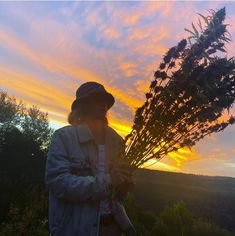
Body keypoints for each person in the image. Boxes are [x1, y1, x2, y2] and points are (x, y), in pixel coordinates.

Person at [45, 81, 134, 236]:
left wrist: (124, 185)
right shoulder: (64, 137)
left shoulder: (117, 141)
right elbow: (58, 183)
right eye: (97, 99)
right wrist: (108, 180)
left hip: (113, 228)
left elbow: (119, 194)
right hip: (76, 229)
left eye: (105, 100)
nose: (103, 104)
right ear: (83, 105)